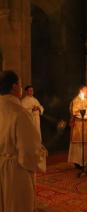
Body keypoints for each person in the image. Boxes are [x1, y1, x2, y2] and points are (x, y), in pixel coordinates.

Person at [0, 70, 42, 212]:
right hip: (15, 171)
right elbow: (29, 151)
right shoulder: (20, 112)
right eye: (20, 84)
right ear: (14, 87)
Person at [68, 86, 87, 169]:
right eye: (86, 91)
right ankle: (78, 163)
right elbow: (75, 113)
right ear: (81, 91)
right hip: (78, 126)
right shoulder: (76, 100)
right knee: (79, 145)